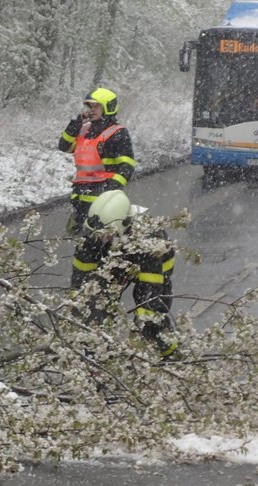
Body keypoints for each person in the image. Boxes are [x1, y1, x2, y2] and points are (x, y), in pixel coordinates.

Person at [70, 190, 177, 358]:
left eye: (107, 235)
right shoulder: (93, 234)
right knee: (96, 311)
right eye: (99, 235)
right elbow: (81, 279)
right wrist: (82, 308)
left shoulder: (149, 238)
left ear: (123, 225)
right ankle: (101, 360)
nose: (101, 239)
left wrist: (141, 326)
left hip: (152, 268)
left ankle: (171, 356)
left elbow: (151, 289)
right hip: (117, 263)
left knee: (152, 318)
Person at [58, 88, 136, 234]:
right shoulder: (84, 129)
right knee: (81, 243)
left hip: (102, 198)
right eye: (90, 106)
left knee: (99, 242)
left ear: (108, 107)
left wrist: (110, 189)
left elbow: (127, 165)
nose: (92, 110)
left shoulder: (117, 133)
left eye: (96, 106)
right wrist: (75, 124)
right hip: (80, 195)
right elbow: (64, 146)